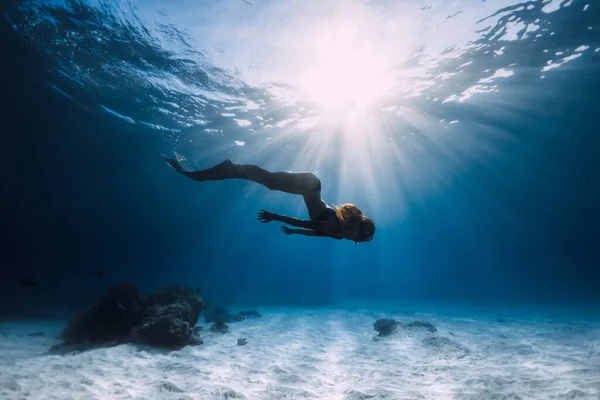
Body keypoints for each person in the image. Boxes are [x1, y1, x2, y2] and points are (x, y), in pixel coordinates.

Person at [163, 152, 375, 243]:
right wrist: (275, 217)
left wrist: (293, 232)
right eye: (360, 238)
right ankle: (232, 169)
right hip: (309, 185)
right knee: (271, 182)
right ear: (356, 228)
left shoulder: (337, 234)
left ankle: (234, 170)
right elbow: (305, 222)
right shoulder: (333, 225)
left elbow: (311, 231)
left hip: (310, 186)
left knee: (271, 182)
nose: (357, 241)